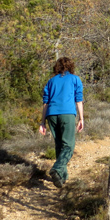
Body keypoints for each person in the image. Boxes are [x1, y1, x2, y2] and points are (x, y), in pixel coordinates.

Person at [39, 57, 84, 188]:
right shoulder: (75, 79)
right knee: (68, 146)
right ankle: (57, 169)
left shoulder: (51, 81)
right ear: (71, 66)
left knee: (59, 145)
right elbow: (79, 100)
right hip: (67, 113)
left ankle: (61, 178)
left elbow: (45, 103)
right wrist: (81, 118)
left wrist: (42, 122)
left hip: (51, 115)